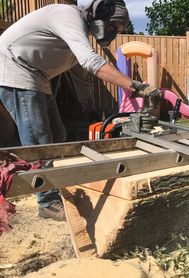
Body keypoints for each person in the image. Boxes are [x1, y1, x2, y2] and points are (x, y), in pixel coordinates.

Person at [0, 0, 161, 221]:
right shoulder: (67, 15)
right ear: (100, 14)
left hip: (37, 76)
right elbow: (90, 61)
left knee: (58, 136)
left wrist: (85, 103)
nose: (114, 33)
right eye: (114, 27)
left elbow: (82, 70)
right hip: (13, 68)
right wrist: (134, 86)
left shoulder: (78, 29)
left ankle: (56, 186)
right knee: (38, 141)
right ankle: (46, 202)